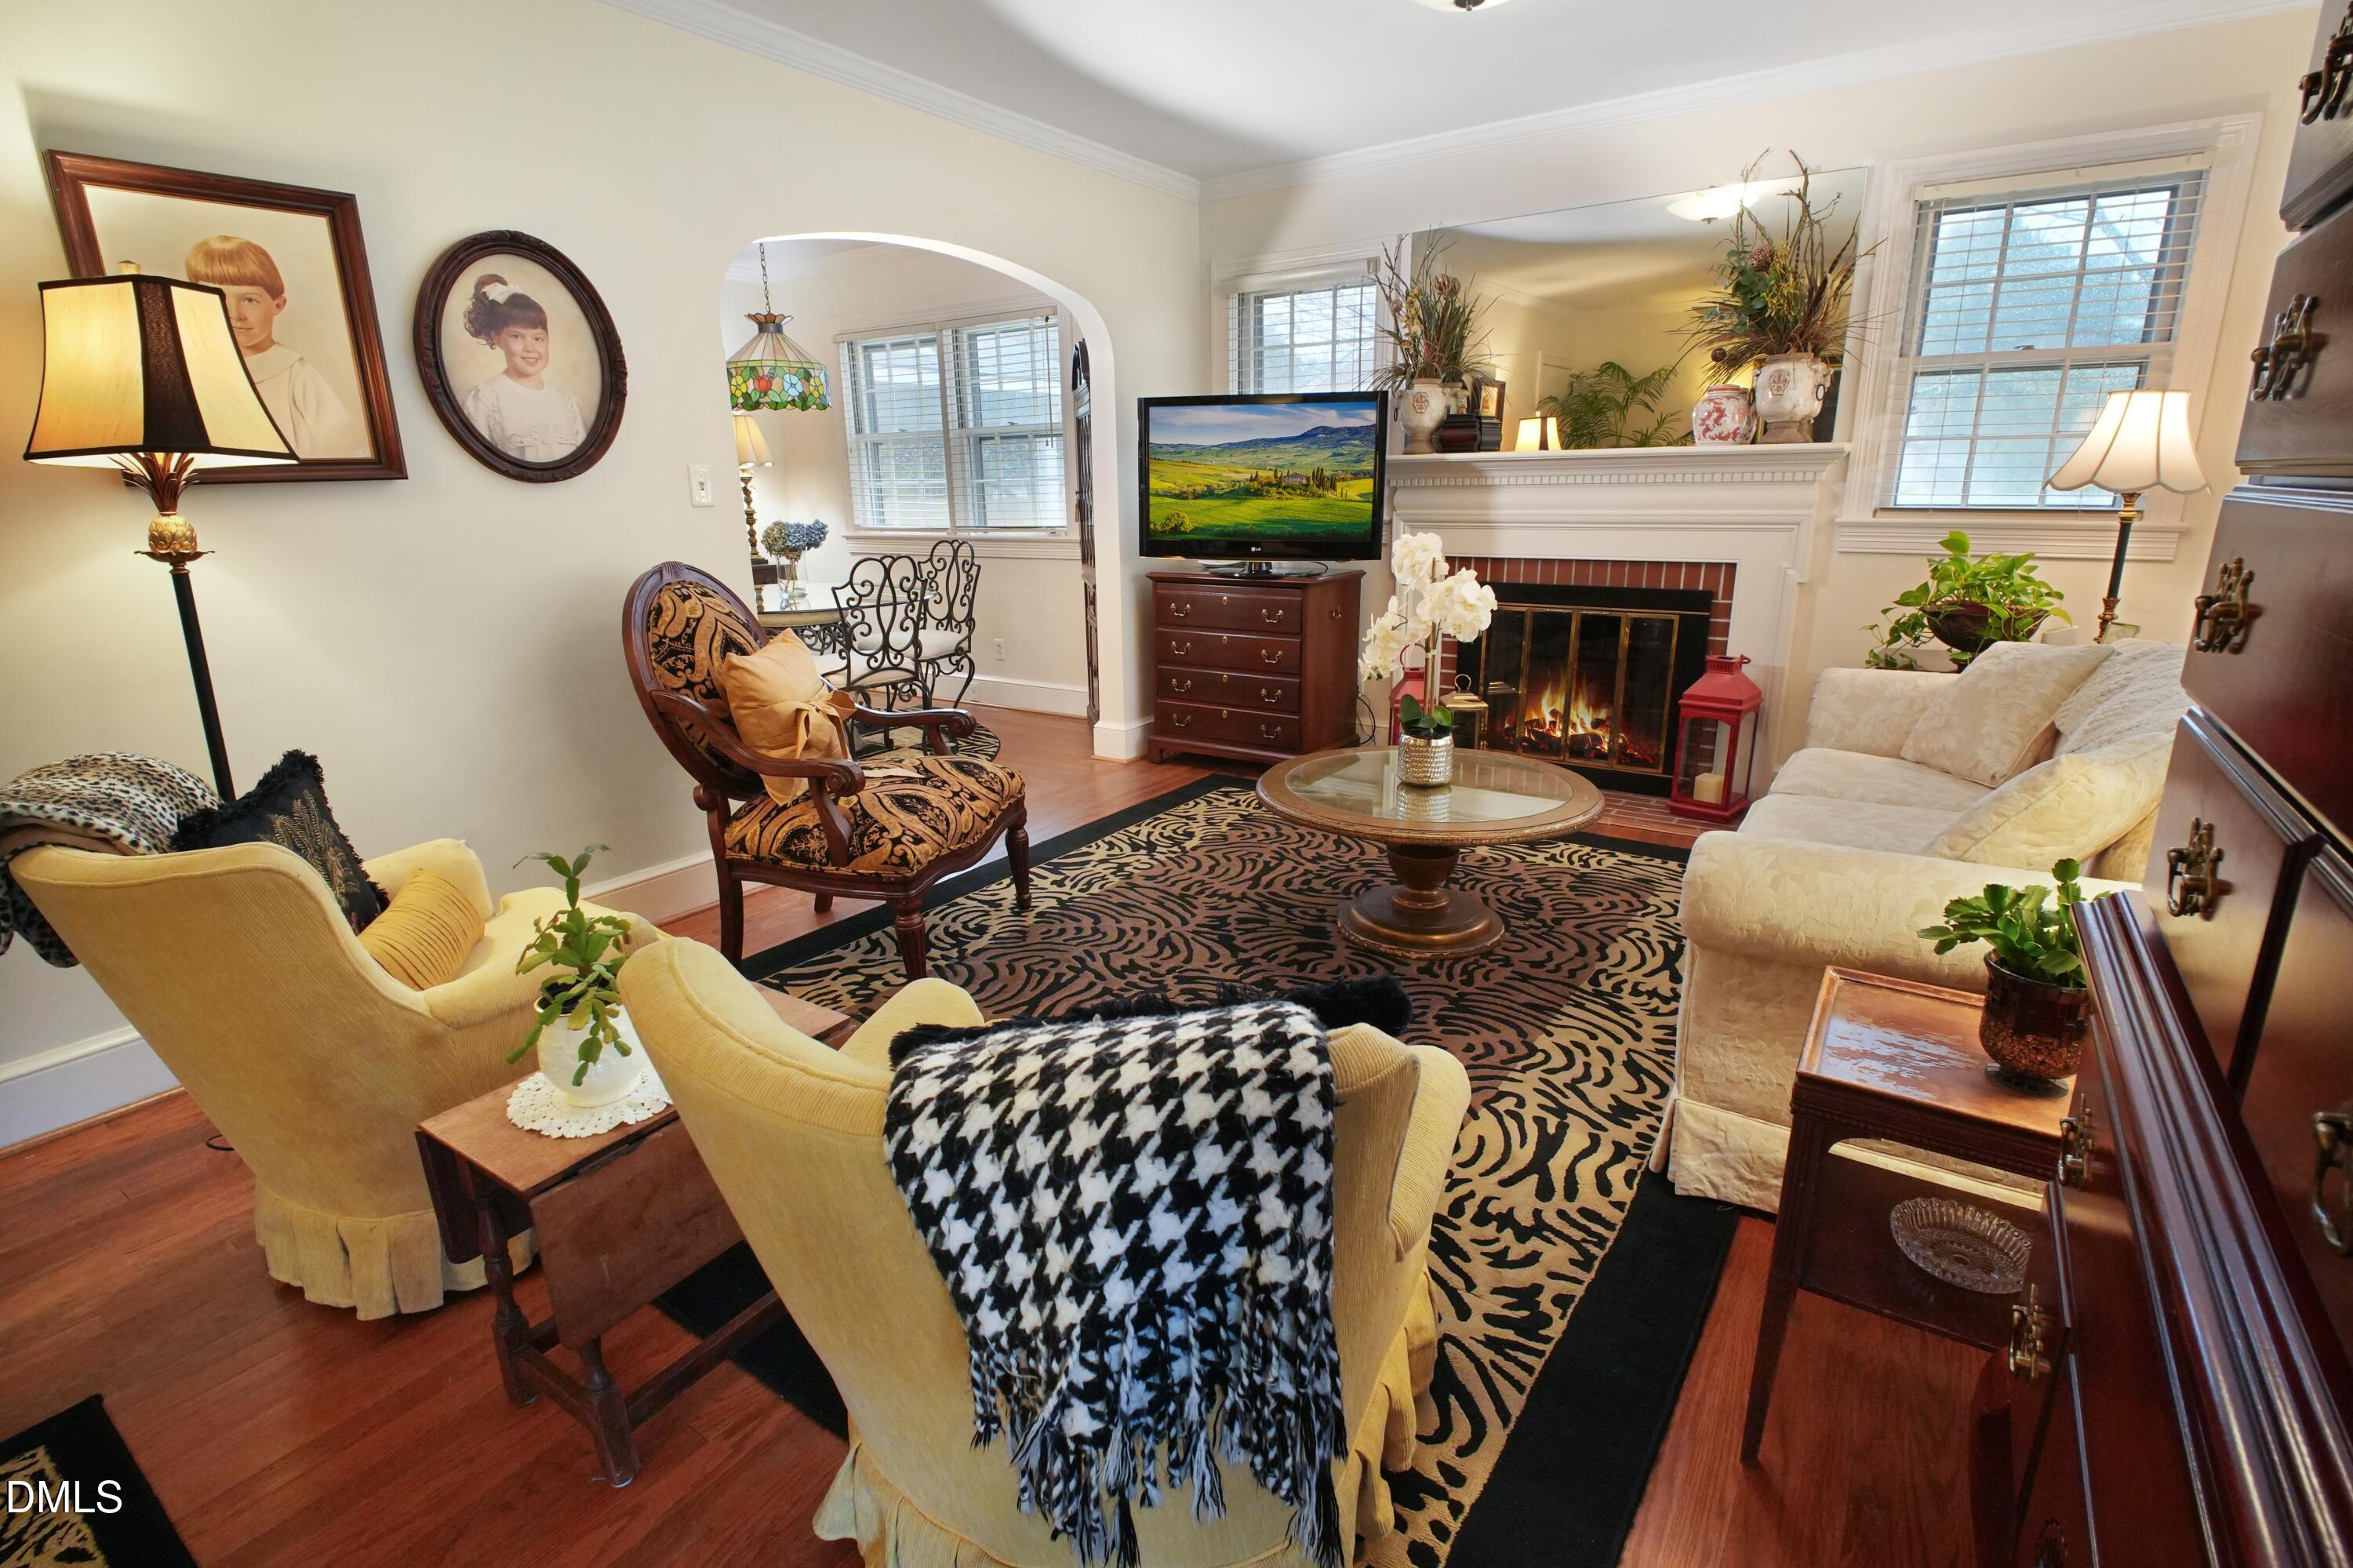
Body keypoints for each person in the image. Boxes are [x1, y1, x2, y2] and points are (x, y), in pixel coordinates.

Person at [184, 235, 358, 459]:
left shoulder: (296, 375)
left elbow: (344, 448)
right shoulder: (193, 372)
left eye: (249, 300)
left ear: (277, 305)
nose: (234, 315)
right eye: (217, 298)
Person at [459, 275, 585, 462]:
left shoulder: (566, 403)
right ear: (497, 338)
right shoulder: (485, 400)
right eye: (516, 336)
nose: (530, 348)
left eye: (538, 338)